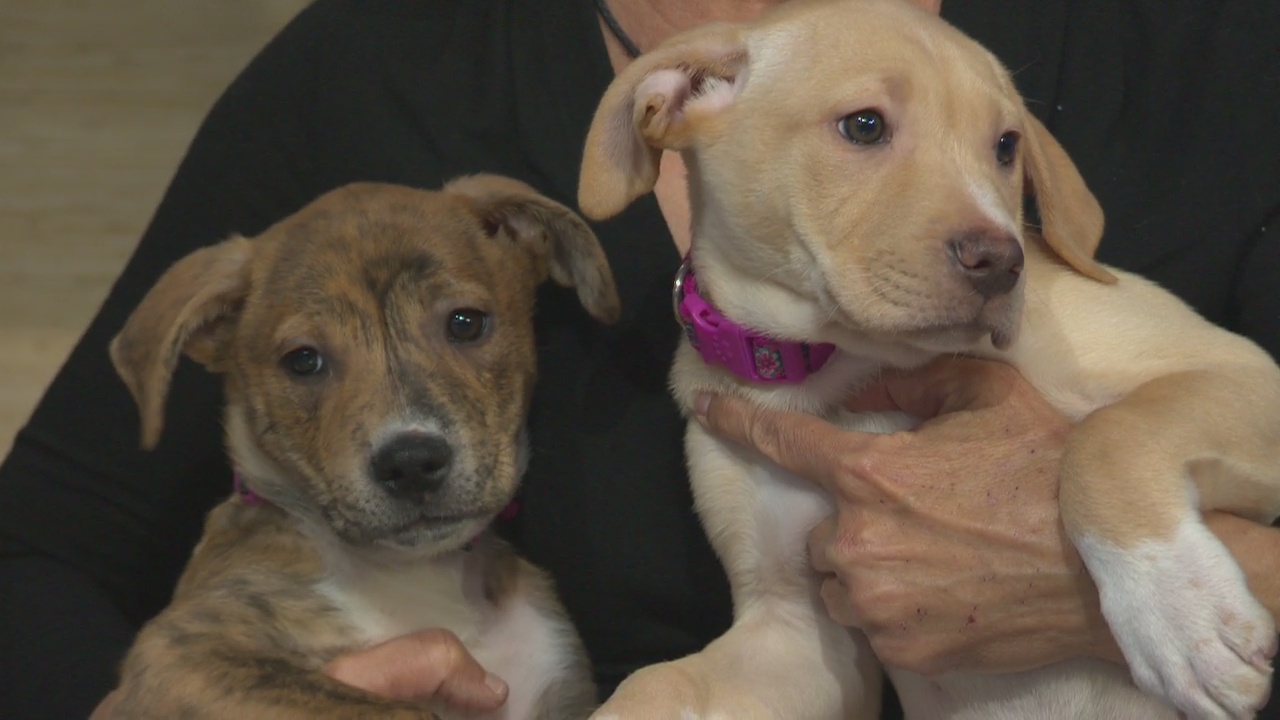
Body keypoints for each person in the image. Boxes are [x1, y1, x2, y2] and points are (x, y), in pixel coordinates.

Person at [1, 1, 1277, 718]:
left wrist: (1116, 562)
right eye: (861, 130)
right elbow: (42, 551)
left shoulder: (1200, 49)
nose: (981, 225)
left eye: (1005, 155)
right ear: (673, 116)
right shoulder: (375, 67)